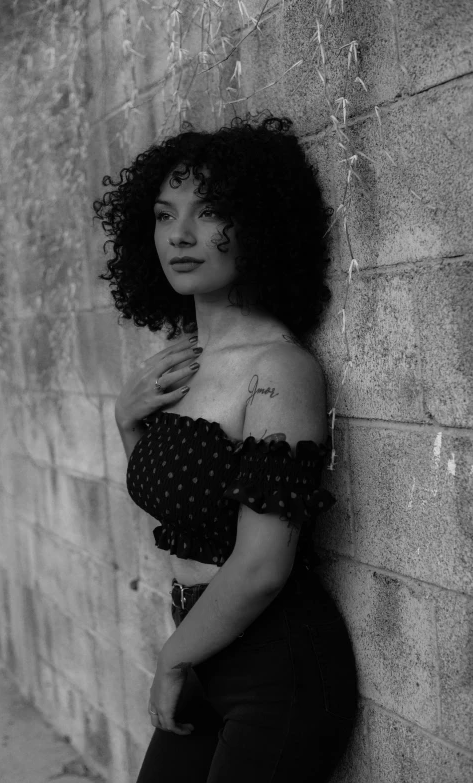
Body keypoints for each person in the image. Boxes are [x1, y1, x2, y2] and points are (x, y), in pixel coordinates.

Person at [93, 112, 358, 782]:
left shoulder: (279, 368)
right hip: (202, 645)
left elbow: (264, 563)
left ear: (259, 224)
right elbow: (181, 516)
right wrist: (128, 422)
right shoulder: (180, 361)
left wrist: (174, 657)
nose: (179, 235)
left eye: (209, 212)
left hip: (277, 665)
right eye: (162, 214)